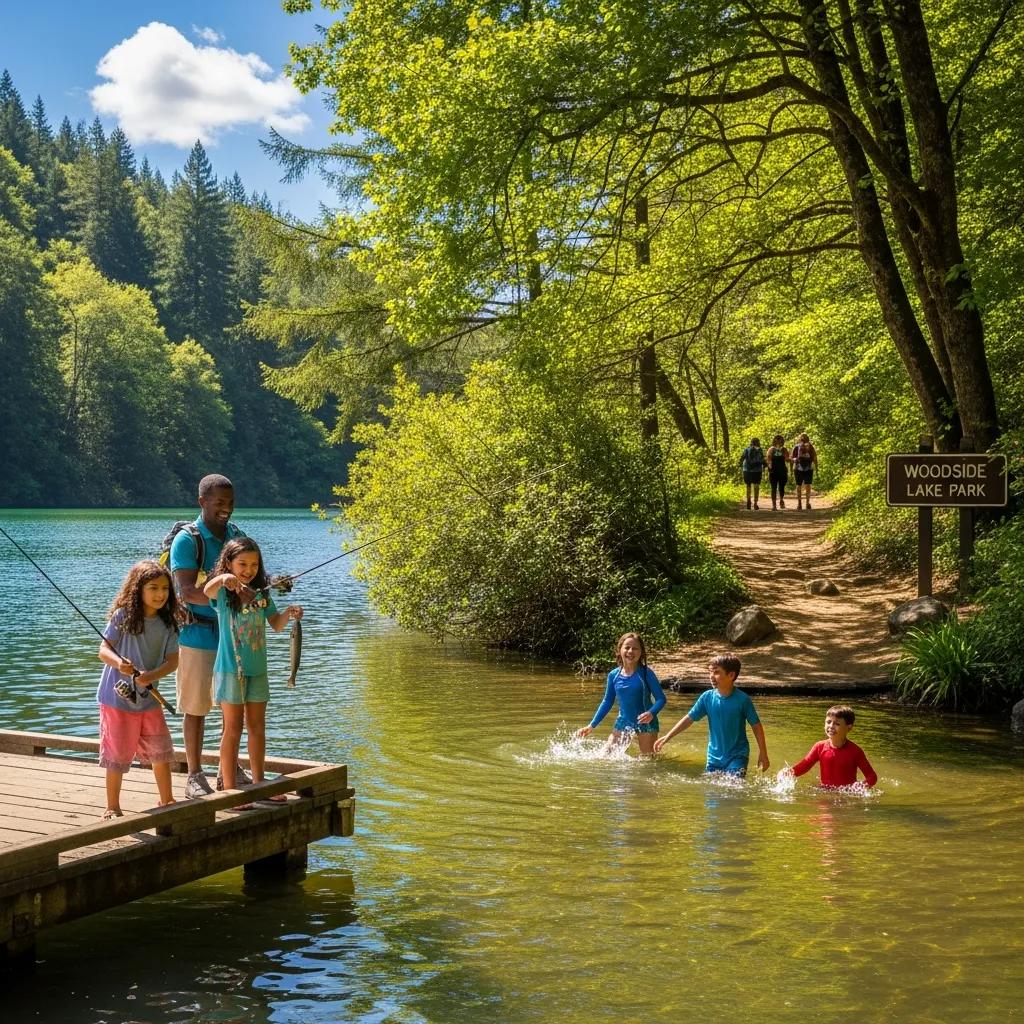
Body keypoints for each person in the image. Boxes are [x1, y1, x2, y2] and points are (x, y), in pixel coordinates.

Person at [203, 538, 302, 802]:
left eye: (254, 565)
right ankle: (230, 791)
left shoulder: (262, 593)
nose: (248, 570)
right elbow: (206, 591)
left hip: (258, 670)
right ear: (228, 563)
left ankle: (259, 783)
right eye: (242, 564)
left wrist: (289, 614)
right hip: (230, 670)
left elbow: (276, 624)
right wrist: (224, 578)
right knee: (232, 729)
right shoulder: (224, 593)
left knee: (257, 727)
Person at [171, 474, 247, 799]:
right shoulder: (188, 541)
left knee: (232, 705)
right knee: (196, 707)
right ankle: (193, 774)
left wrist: (269, 584)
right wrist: (222, 596)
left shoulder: (236, 536)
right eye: (219, 502)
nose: (226, 508)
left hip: (231, 635)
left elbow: (251, 576)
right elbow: (186, 591)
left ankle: (227, 767)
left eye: (230, 502)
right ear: (202, 502)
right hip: (196, 635)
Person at [97, 560, 179, 819]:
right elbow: (103, 650)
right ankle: (112, 806)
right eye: (153, 588)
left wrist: (151, 676)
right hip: (116, 699)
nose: (160, 594)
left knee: (160, 748)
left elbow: (173, 661)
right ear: (138, 590)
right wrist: (119, 663)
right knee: (117, 750)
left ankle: (167, 799)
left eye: (165, 588)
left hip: (148, 698)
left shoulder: (168, 623)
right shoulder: (122, 616)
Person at [653, 653, 769, 774]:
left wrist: (763, 753)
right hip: (713, 758)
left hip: (737, 756)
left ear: (731, 675)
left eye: (717, 672)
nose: (711, 676)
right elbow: (689, 719)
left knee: (734, 790)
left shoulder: (742, 700)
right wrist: (668, 737)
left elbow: (756, 726)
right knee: (713, 791)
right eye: (710, 672)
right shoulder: (707, 698)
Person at [576, 632, 666, 755]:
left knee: (648, 761)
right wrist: (591, 726)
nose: (630, 651)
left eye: (635, 648)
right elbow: (607, 701)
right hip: (624, 721)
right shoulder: (613, 675)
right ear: (620, 650)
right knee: (605, 756)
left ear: (641, 652)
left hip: (646, 722)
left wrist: (651, 713)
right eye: (627, 647)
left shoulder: (646, 673)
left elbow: (661, 699)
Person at [779, 706, 877, 789]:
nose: (831, 726)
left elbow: (872, 777)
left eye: (837, 724)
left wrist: (858, 787)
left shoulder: (855, 751)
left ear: (849, 727)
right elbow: (805, 765)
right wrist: (788, 773)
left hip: (846, 795)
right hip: (824, 792)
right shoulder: (819, 747)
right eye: (828, 722)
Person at [790, 433, 819, 510]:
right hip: (807, 468)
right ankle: (806, 503)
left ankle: (801, 503)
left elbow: (791, 459)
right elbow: (815, 458)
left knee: (801, 485)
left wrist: (793, 464)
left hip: (798, 468)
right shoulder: (809, 447)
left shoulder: (797, 447)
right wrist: (816, 468)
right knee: (807, 486)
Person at [739, 437, 765, 510]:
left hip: (747, 470)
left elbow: (742, 458)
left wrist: (741, 466)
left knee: (748, 486)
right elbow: (762, 459)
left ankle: (748, 501)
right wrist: (766, 465)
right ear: (758, 442)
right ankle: (755, 503)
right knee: (756, 486)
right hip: (757, 470)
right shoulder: (760, 450)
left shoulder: (747, 449)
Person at [766, 434, 789, 511]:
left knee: (781, 487)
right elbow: (768, 459)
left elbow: (787, 458)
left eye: (780, 440)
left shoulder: (784, 449)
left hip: (782, 471)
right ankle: (774, 505)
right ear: (774, 441)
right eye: (777, 440)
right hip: (773, 471)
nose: (778, 441)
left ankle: (781, 499)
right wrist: (769, 465)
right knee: (773, 488)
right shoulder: (771, 449)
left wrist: (791, 459)